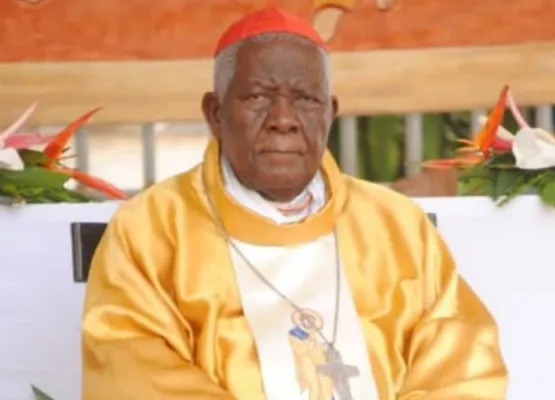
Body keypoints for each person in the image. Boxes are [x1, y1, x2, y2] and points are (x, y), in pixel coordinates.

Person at [81, 6, 507, 399]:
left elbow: (462, 365)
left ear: (329, 113)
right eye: (257, 97)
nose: (283, 120)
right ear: (215, 113)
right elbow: (130, 369)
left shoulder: (396, 224)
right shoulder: (152, 229)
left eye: (305, 99)